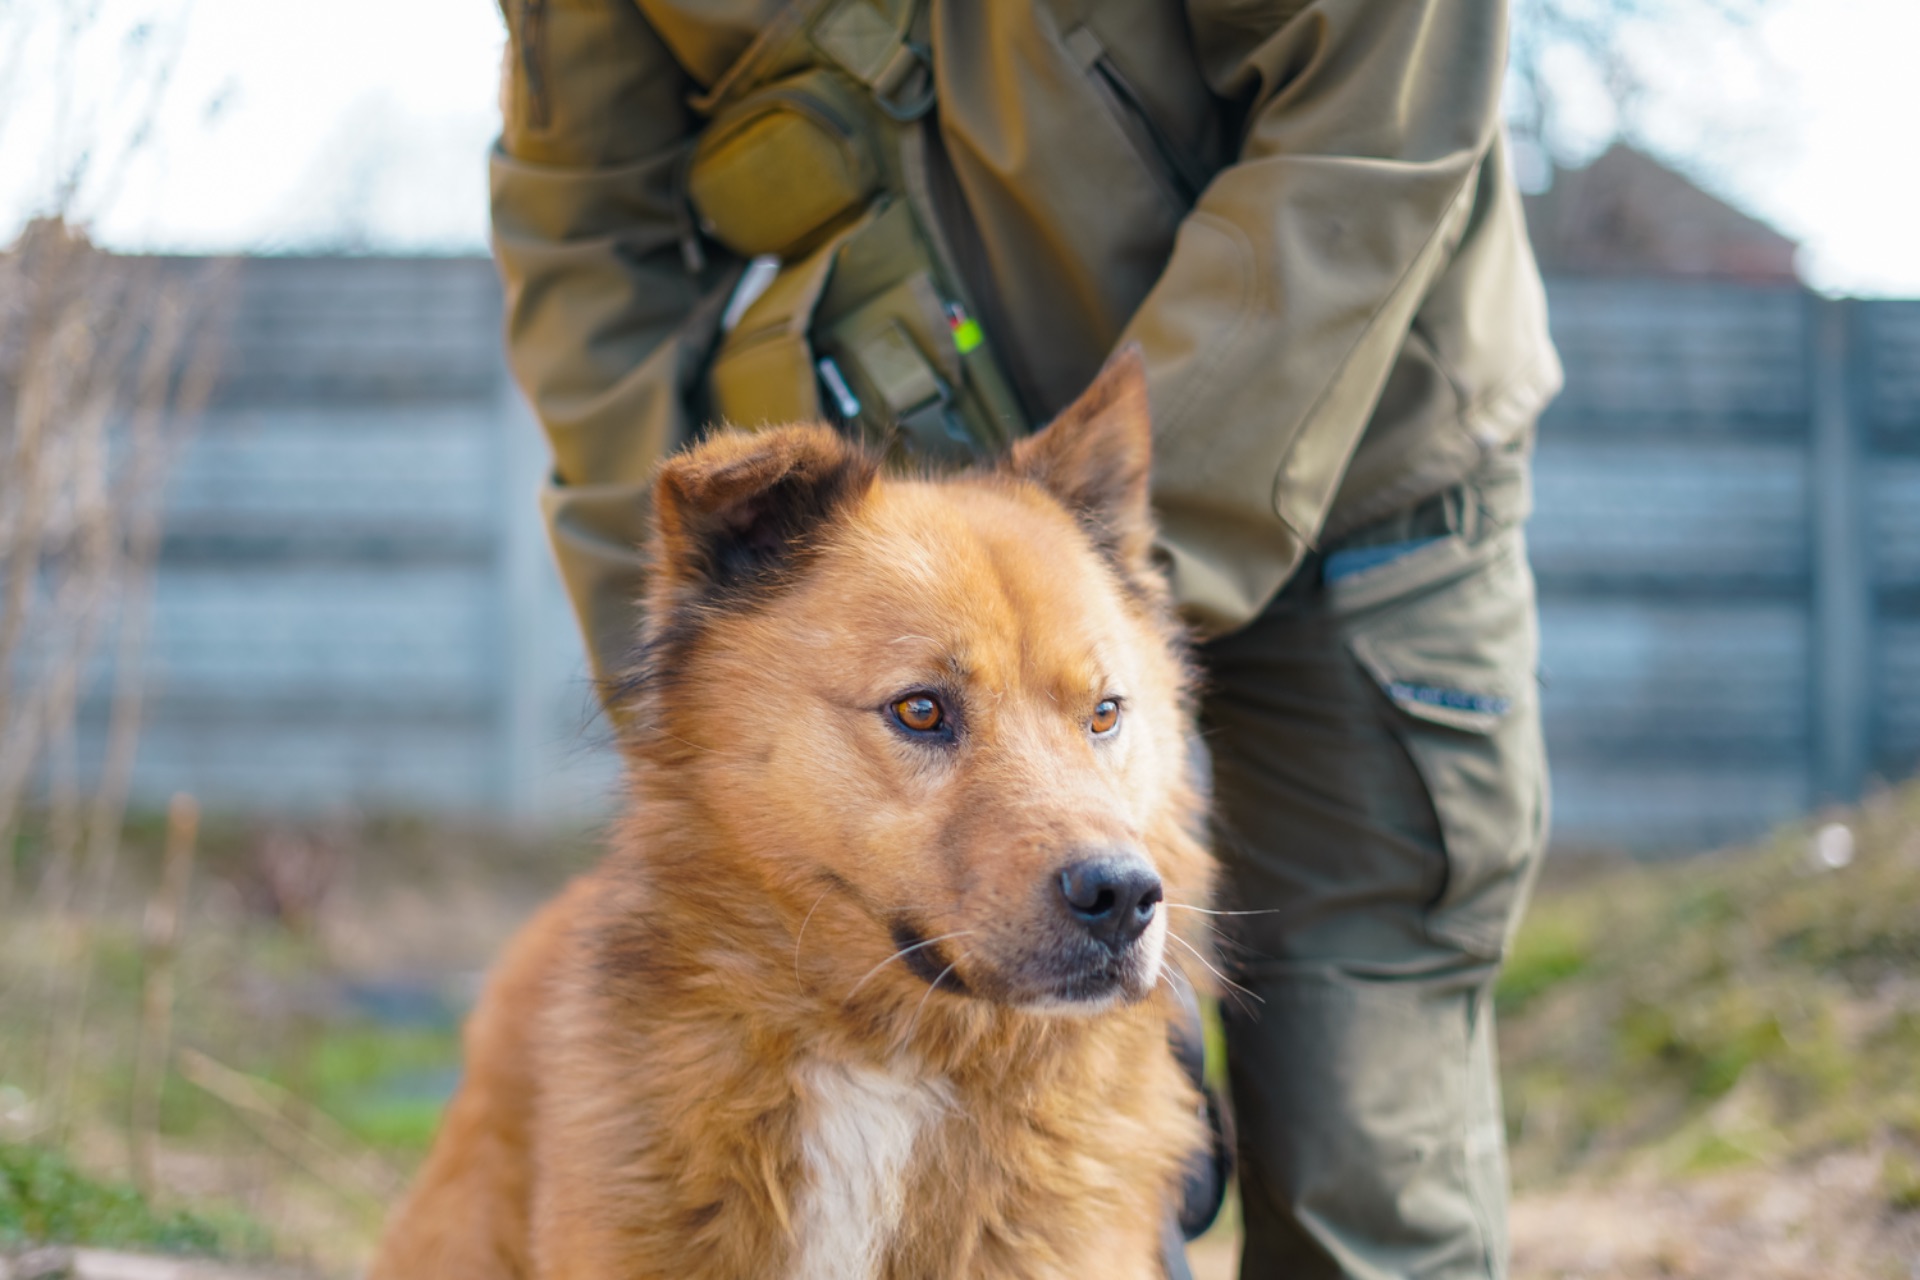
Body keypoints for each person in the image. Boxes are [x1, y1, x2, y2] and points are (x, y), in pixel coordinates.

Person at [487, 1, 1561, 1276]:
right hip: (900, 505)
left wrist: (1092, 575)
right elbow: (589, 232)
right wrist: (701, 667)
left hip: (1362, 460)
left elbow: (1371, 120)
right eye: (924, 721)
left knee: (1363, 1156)